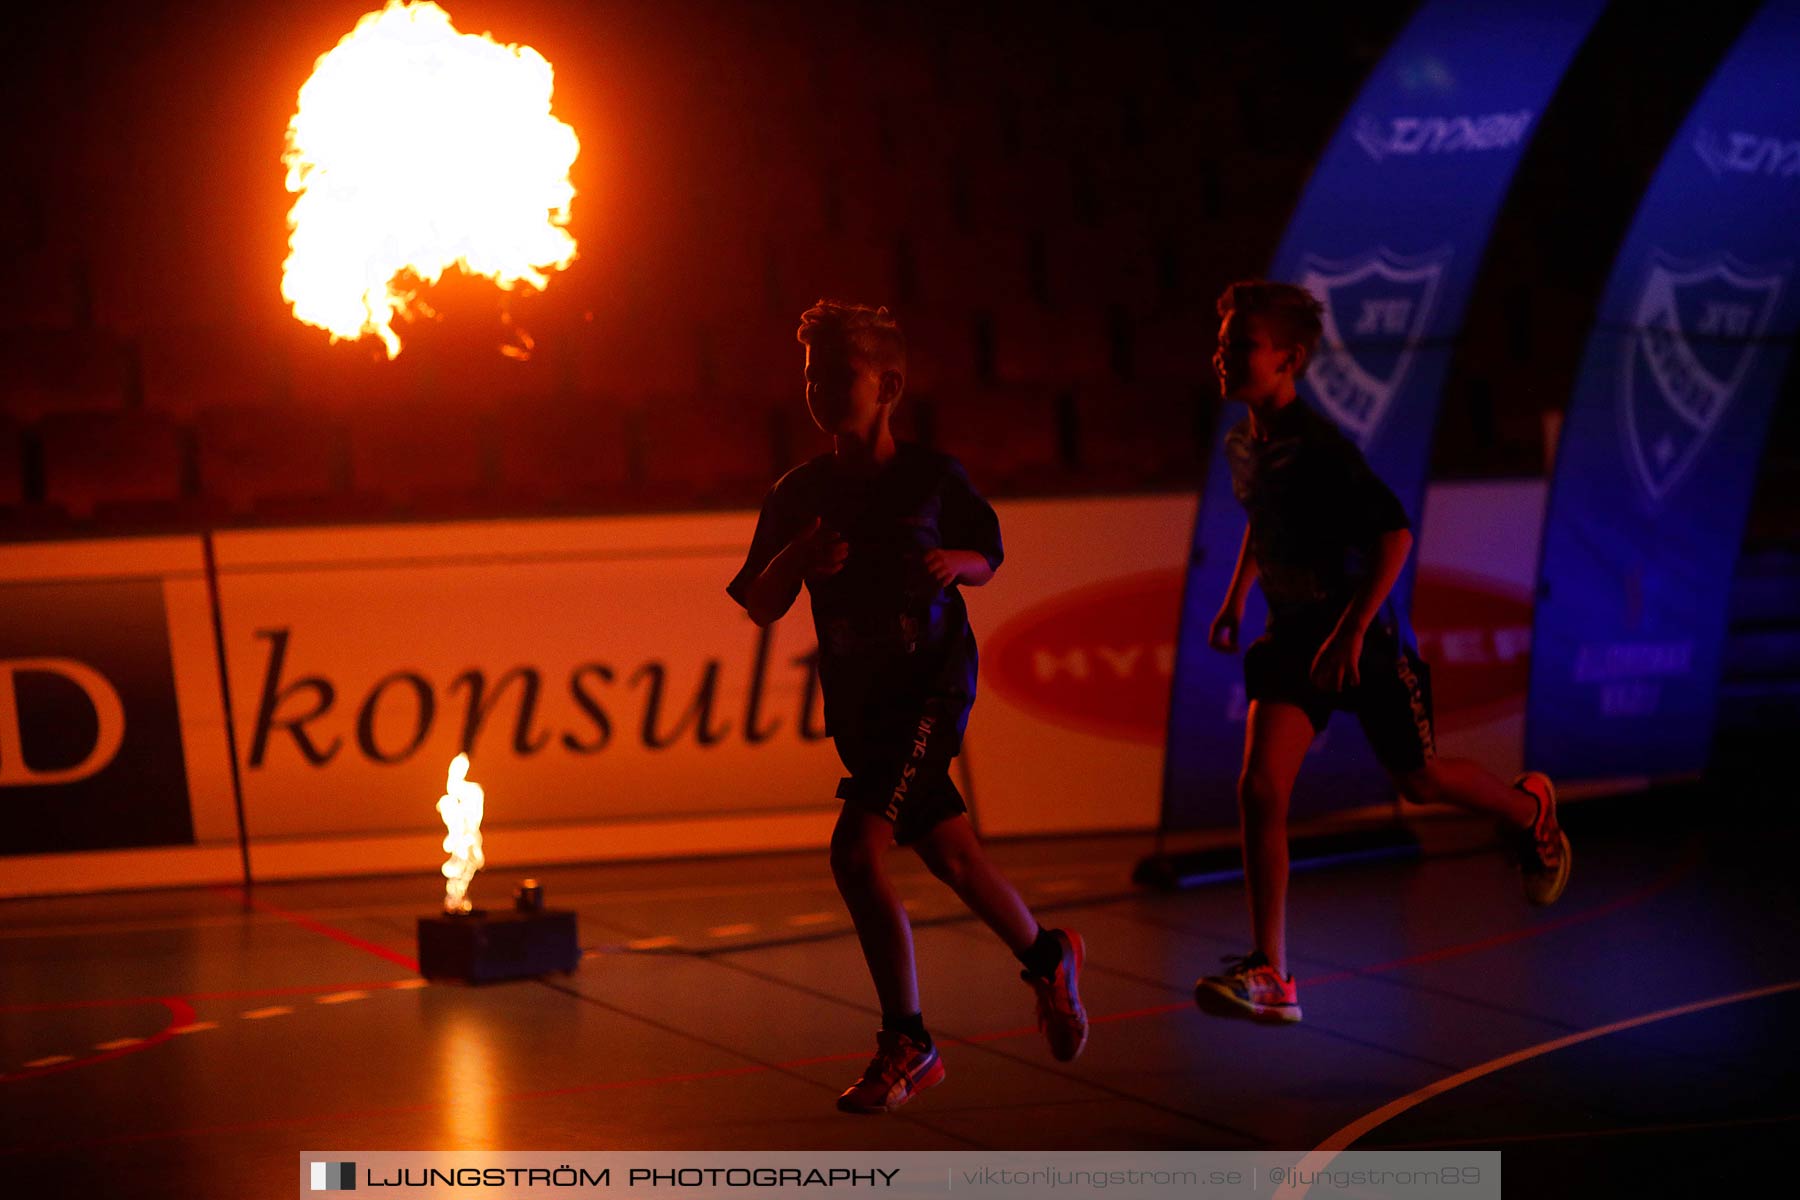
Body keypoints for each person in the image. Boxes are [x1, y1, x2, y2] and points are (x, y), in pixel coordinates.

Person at [727, 300, 1087, 1113]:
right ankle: (1047, 955)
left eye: (837, 374)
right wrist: (798, 555)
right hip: (860, 700)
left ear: (888, 384)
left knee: (857, 854)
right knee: (951, 855)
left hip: (930, 683)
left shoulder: (931, 477)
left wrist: (958, 562)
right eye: (810, 375)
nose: (819, 388)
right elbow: (759, 601)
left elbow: (988, 554)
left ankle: (909, 1040)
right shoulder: (800, 492)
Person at [1194, 280, 1571, 1025]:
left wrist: (1352, 631)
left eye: (1241, 346)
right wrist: (1238, 596)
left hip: (1363, 638)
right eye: (1221, 343)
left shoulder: (1323, 447)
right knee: (1260, 790)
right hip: (1294, 636)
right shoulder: (1245, 441)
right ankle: (1273, 971)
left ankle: (1530, 812)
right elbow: (1261, 518)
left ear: (1289, 359)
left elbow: (1395, 535)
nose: (1222, 356)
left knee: (1421, 781)